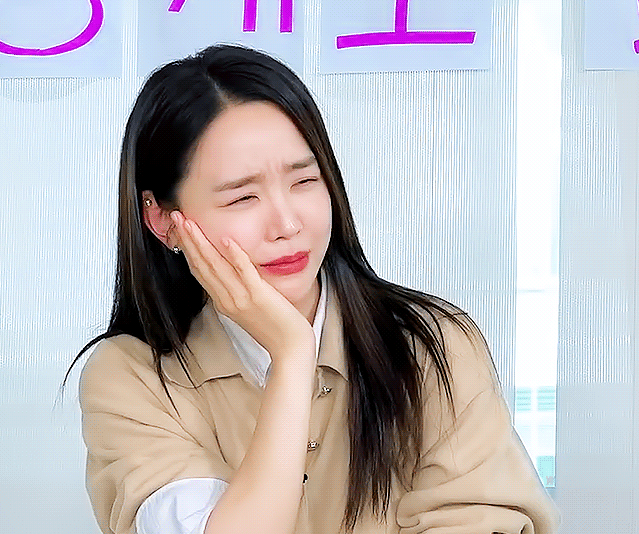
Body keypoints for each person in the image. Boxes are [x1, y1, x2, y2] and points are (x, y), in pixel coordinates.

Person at [61, 44, 561, 534]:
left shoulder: (432, 345)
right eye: (243, 197)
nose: (287, 224)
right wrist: (292, 355)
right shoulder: (132, 375)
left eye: (304, 182)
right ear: (163, 220)